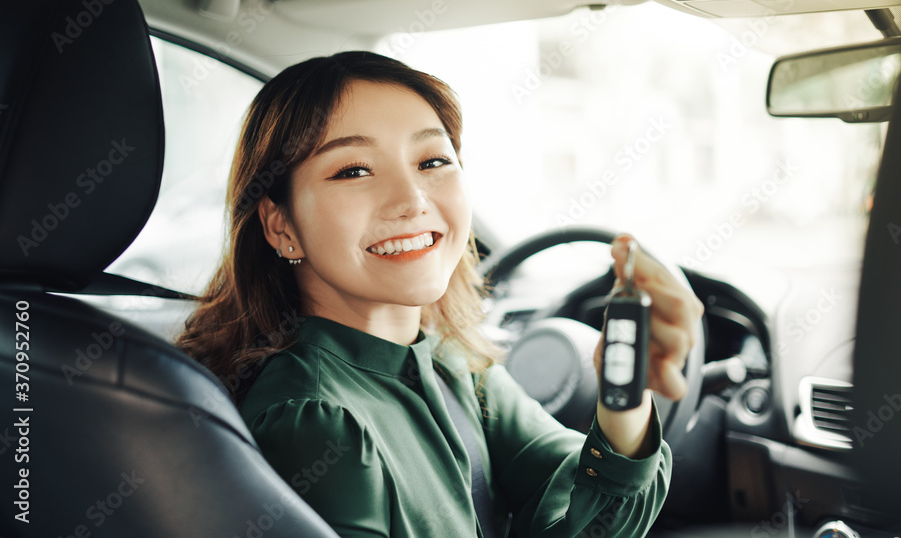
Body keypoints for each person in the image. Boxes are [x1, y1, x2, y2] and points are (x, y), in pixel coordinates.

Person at [176, 51, 704, 537]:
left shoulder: (455, 365)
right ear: (281, 225)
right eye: (354, 170)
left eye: (432, 162)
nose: (411, 199)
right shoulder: (313, 421)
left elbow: (585, 517)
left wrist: (626, 397)